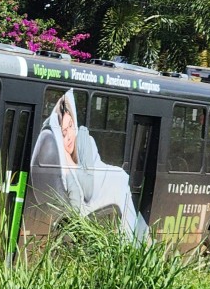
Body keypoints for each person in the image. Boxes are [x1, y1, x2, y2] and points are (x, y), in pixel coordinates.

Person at [32, 89, 146, 241]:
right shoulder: (63, 160)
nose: (69, 137)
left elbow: (87, 191)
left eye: (70, 126)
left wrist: (70, 165)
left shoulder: (85, 139)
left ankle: (131, 244)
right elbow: (75, 197)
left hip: (114, 188)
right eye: (63, 133)